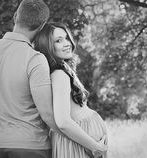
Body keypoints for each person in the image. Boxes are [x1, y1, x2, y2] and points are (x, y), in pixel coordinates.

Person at [0, 0, 58, 158]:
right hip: (32, 147)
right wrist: (73, 138)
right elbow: (47, 114)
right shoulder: (35, 58)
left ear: (15, 16)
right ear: (42, 25)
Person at [34, 22, 108, 158]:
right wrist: (95, 147)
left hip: (80, 144)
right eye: (58, 41)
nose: (67, 43)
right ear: (48, 47)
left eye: (67, 38)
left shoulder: (62, 70)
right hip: (78, 145)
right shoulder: (59, 75)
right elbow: (62, 121)